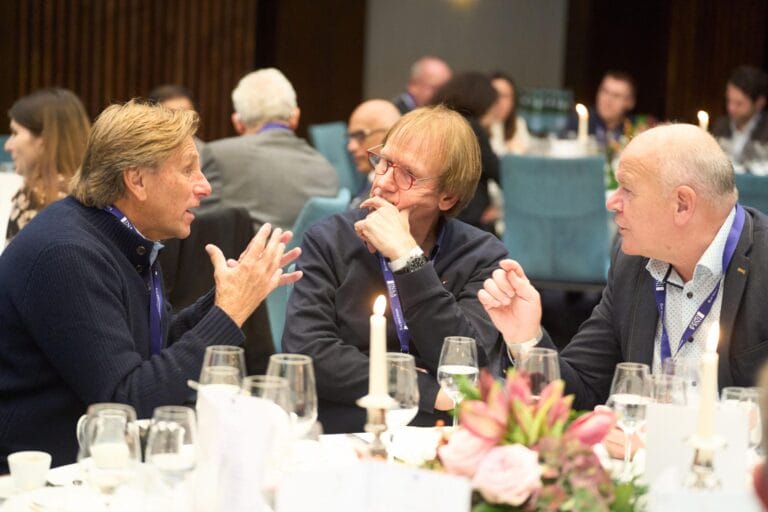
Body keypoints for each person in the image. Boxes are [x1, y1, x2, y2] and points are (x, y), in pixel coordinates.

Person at [0, 100, 301, 470]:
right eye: (188, 170)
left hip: (94, 463)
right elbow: (127, 404)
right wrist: (228, 313)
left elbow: (149, 348)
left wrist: (227, 298)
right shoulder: (67, 254)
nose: (205, 186)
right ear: (137, 180)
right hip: (39, 479)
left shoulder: (122, 237)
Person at [478, 123, 768, 410]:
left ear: (682, 204)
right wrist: (526, 338)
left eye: (627, 189)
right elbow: (581, 389)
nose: (612, 203)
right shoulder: (633, 262)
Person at [283, 105, 510, 433]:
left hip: (440, 434)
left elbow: (466, 363)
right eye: (384, 162)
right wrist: (423, 389)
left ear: (446, 198)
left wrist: (408, 259)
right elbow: (308, 352)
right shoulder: (329, 239)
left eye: (407, 175)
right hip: (345, 428)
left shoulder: (481, 256)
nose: (383, 182)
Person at [201, 68, 338, 231]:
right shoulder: (326, 167)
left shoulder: (219, 155)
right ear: (295, 117)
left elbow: (194, 224)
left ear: (238, 123)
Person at [4, 88, 90, 244]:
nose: (8, 146)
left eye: (15, 133)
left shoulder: (34, 198)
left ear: (43, 139)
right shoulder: (100, 197)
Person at [430, 72, 500, 234]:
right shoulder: (471, 129)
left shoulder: (438, 122)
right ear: (481, 102)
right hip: (468, 216)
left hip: (440, 211)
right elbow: (498, 172)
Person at [346, 99, 401, 207]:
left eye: (360, 136)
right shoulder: (369, 177)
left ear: (390, 133)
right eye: (350, 137)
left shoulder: (393, 195)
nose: (351, 147)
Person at [711, 65, 768, 164]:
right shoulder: (720, 126)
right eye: (729, 100)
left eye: (739, 103)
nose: (731, 108)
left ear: (759, 102)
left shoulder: (766, 131)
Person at [565, 71, 636, 148]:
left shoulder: (637, 129)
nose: (608, 100)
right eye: (605, 92)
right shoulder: (577, 121)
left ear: (630, 102)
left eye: (616, 96)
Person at [148, 83, 206, 154]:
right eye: (172, 114)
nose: (182, 121)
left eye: (187, 114)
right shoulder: (142, 153)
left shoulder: (207, 154)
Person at [488, 72, 531, 155]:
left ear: (513, 100)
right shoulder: (478, 126)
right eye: (494, 94)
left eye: (504, 96)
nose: (498, 101)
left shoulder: (518, 123)